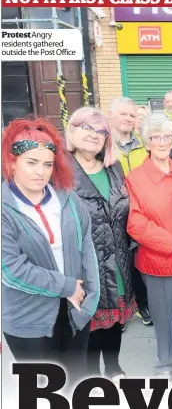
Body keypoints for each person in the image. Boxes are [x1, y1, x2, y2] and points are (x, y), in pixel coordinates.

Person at [1, 118, 99, 387]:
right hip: (29, 319)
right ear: (11, 163)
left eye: (47, 164)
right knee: (45, 389)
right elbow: (11, 270)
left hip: (75, 311)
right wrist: (66, 286)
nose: (40, 172)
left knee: (78, 384)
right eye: (31, 162)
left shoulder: (67, 198)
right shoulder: (4, 208)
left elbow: (86, 247)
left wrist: (92, 295)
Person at [65, 107, 137, 381]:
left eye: (100, 131)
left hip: (118, 258)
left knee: (115, 320)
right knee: (91, 324)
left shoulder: (113, 167)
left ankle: (115, 369)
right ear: (72, 131)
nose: (93, 135)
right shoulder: (60, 171)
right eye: (86, 128)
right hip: (85, 263)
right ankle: (93, 377)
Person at [125, 115, 172, 381]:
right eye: (156, 137)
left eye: (167, 136)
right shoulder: (135, 178)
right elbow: (136, 223)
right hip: (159, 259)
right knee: (164, 315)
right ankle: (165, 362)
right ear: (147, 142)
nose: (163, 141)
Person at [109, 97, 152, 326]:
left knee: (137, 258)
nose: (128, 118)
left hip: (140, 210)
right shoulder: (104, 145)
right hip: (113, 211)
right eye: (123, 114)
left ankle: (141, 302)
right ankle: (118, 308)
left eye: (132, 115)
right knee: (116, 260)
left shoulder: (143, 145)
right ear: (112, 115)